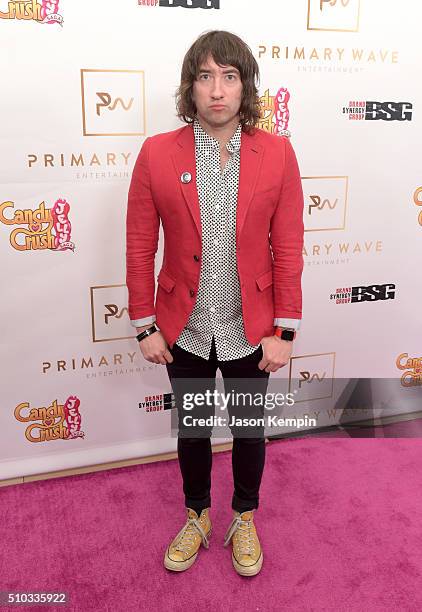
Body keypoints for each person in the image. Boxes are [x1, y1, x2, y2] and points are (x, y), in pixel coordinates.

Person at [126, 30, 304, 577]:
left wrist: (285, 331)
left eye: (229, 77)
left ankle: (244, 516)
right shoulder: (159, 152)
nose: (218, 90)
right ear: (191, 86)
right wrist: (144, 325)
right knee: (194, 428)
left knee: (249, 429)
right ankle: (198, 514)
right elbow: (139, 244)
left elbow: (289, 245)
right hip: (186, 325)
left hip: (251, 326)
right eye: (206, 77)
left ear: (245, 86)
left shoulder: (276, 152)